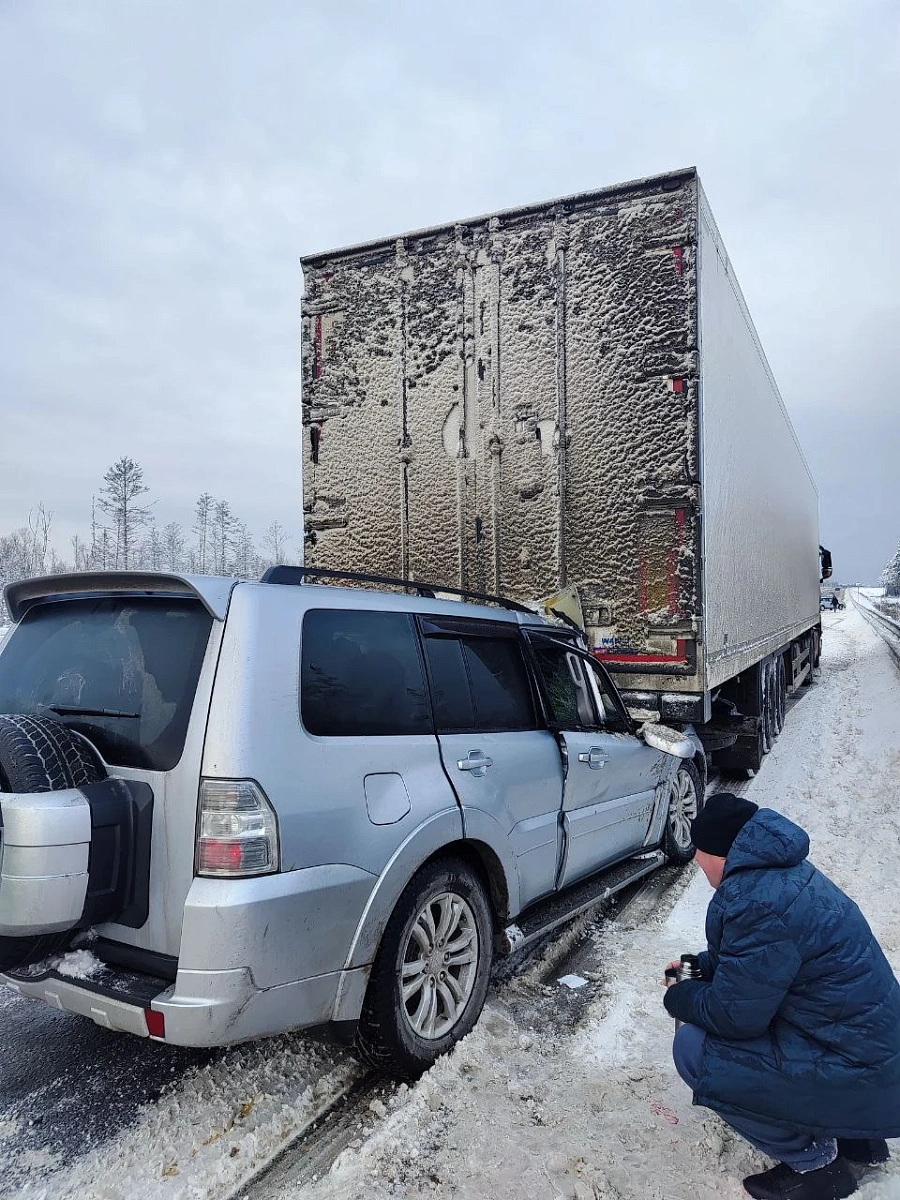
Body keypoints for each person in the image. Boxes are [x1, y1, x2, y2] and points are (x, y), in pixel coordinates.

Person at [663, 793, 900, 1199]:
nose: (697, 863)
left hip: (858, 1069)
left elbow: (735, 1018)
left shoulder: (753, 901)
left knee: (693, 1047)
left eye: (699, 852)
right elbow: (771, 959)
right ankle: (856, 1138)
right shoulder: (781, 875)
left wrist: (679, 996)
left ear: (715, 852)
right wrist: (704, 966)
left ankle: (817, 1167)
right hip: (870, 1056)